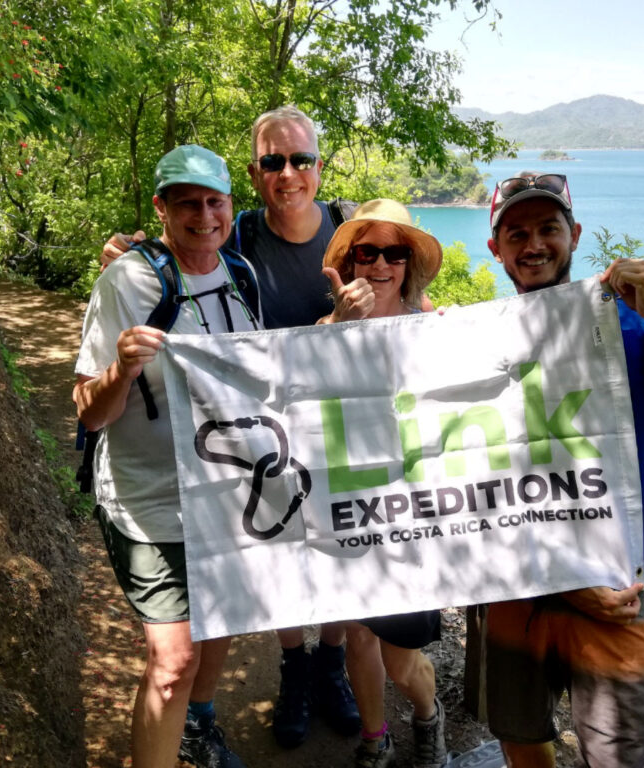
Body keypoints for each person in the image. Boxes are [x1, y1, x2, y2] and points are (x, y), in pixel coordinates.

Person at [100, 105, 361, 749]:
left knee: (307, 580)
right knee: (206, 632)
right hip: (219, 464)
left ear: (320, 168)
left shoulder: (352, 231)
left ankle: (320, 675)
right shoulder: (234, 243)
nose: (289, 172)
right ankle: (289, 675)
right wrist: (127, 261)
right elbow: (181, 254)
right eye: (273, 162)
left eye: (301, 159)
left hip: (320, 435)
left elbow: (409, 292)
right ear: (257, 173)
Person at [482, 172, 644, 768]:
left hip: (623, 585)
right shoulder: (478, 341)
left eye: (548, 228)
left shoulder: (635, 322)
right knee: (522, 738)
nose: (533, 244)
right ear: (497, 249)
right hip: (521, 580)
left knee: (623, 759)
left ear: (574, 234)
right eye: (517, 233)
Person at [73, 145, 259, 768]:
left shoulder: (242, 276)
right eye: (187, 203)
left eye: (215, 201)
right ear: (161, 208)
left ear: (232, 206)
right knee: (173, 660)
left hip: (226, 493)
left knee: (222, 620)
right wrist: (122, 368)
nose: (203, 215)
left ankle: (198, 727)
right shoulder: (126, 282)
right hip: (148, 498)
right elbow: (89, 412)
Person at [318, 199, 448, 768]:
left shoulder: (435, 328)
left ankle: (427, 715)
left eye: (393, 253)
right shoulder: (324, 329)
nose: (379, 265)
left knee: (401, 659)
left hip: (413, 517)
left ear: (408, 264)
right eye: (366, 252)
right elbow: (299, 400)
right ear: (348, 262)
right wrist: (342, 331)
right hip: (348, 507)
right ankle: (376, 736)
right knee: (355, 636)